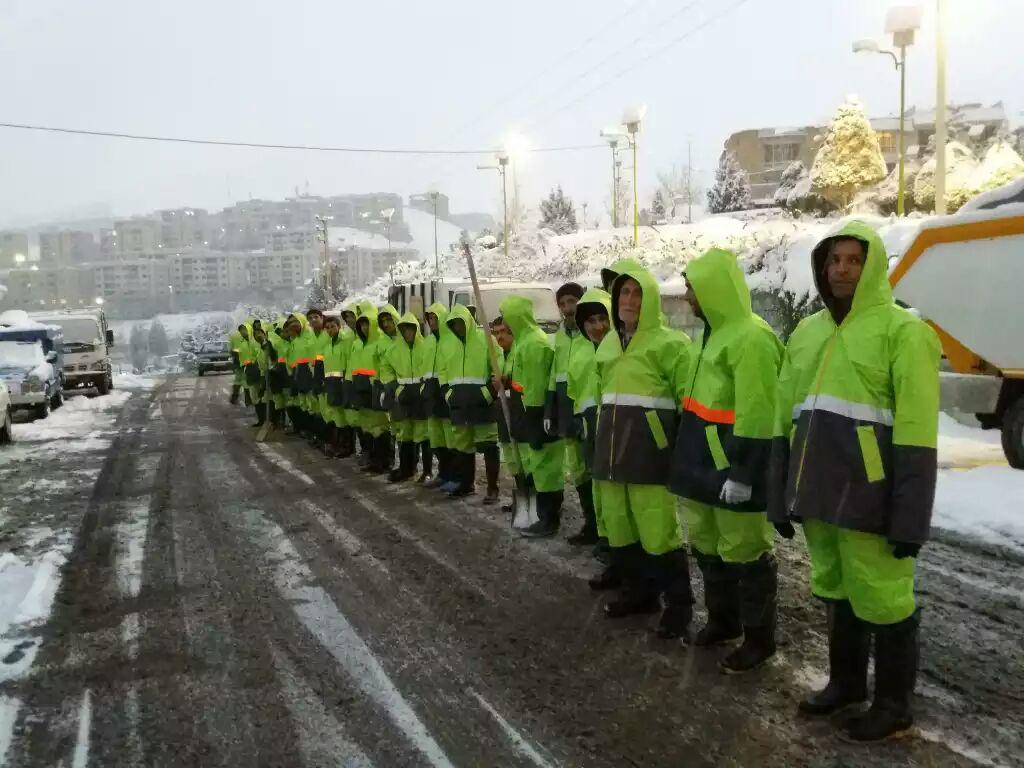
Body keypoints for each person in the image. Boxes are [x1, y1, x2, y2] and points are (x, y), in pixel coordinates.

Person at [769, 221, 940, 742]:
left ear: (872, 267)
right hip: (819, 492)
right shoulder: (807, 332)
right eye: (833, 260)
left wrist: (910, 516)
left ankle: (894, 704)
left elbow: (917, 431)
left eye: (853, 260)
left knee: (884, 599)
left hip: (872, 495)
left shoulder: (903, 332)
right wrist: (781, 492)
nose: (841, 269)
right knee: (835, 588)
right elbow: (784, 414)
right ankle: (846, 683)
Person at [667, 248, 783, 672]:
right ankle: (724, 622)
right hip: (702, 468)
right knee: (709, 547)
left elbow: (760, 411)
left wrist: (745, 474)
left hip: (732, 469)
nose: (687, 298)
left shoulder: (752, 338)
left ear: (712, 289)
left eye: (691, 289)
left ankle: (759, 639)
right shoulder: (712, 334)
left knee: (747, 553)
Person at [592, 265, 694, 639]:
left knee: (659, 533)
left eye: (637, 293)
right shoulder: (607, 345)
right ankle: (640, 594)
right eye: (624, 293)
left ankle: (679, 606)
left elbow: (688, 403)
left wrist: (679, 453)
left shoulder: (672, 344)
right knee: (620, 529)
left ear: (649, 298)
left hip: (650, 456)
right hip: (611, 455)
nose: (629, 300)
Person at [565, 288, 617, 588]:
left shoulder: (619, 350)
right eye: (590, 321)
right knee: (600, 492)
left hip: (617, 431)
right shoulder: (581, 351)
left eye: (602, 319)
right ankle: (607, 543)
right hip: (590, 428)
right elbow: (575, 388)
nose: (597, 327)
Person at [499, 294, 563, 537]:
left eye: (507, 317)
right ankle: (543, 515)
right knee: (539, 467)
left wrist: (535, 423)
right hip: (529, 414)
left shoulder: (533, 344)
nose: (505, 323)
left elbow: (535, 389)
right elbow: (523, 382)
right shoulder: (523, 342)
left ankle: (549, 520)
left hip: (538, 415)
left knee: (547, 471)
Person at [546, 282, 599, 545]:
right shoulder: (560, 336)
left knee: (595, 469)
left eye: (572, 302)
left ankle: (606, 532)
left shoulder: (590, 336)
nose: (568, 308)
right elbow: (555, 376)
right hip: (568, 411)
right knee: (578, 471)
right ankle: (591, 525)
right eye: (563, 303)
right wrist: (550, 409)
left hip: (588, 412)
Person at [442, 304, 502, 499]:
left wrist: (490, 393)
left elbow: (497, 365)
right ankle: (466, 484)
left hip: (482, 405)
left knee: (489, 445)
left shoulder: (486, 340)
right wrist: (447, 394)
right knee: (462, 446)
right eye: (454, 324)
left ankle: (492, 488)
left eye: (460, 322)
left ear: (468, 320)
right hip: (458, 405)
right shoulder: (447, 344)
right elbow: (442, 372)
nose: (457, 327)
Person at [382, 312, 427, 482]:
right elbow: (385, 369)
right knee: (404, 434)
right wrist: (396, 389)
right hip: (404, 397)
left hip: (421, 397)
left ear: (416, 329)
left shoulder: (425, 347)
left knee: (423, 434)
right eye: (404, 329)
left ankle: (424, 470)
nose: (408, 332)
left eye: (410, 328)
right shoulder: (394, 350)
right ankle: (405, 468)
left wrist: (425, 388)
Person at [419, 303, 450, 485]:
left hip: (444, 394)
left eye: (435, 318)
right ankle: (443, 474)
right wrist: (424, 388)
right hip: (431, 395)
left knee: (450, 440)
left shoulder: (449, 341)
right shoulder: (428, 342)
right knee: (436, 439)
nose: (432, 322)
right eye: (430, 318)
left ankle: (452, 475)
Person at [321, 314, 349, 456]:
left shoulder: (345, 342)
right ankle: (338, 444)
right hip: (331, 383)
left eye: (333, 326)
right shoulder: (327, 346)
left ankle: (347, 446)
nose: (330, 330)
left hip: (343, 382)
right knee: (337, 414)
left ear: (339, 326)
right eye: (327, 328)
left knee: (345, 415)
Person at [228, 323, 250, 404]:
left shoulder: (233, 336)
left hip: (237, 361)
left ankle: (234, 397)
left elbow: (230, 350)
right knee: (246, 382)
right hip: (247, 361)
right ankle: (248, 401)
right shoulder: (249, 335)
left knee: (238, 380)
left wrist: (235, 354)